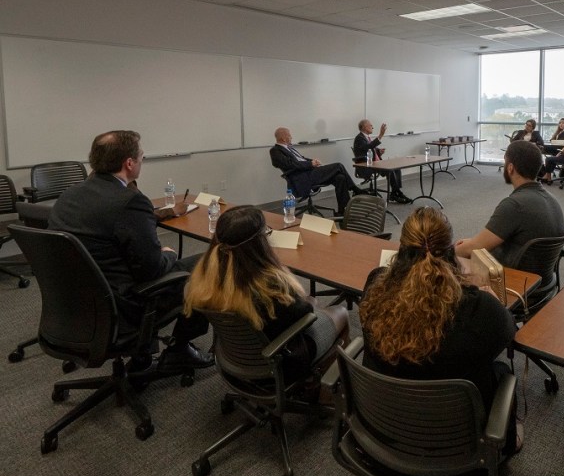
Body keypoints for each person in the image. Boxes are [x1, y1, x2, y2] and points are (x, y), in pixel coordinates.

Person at [359, 207, 520, 455]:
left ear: (401, 251)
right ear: (450, 254)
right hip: (455, 450)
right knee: (501, 372)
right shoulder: (479, 309)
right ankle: (508, 444)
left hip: (384, 436)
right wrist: (488, 298)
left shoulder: (375, 286)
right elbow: (508, 330)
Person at [48, 130, 213, 371]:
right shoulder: (129, 202)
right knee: (210, 264)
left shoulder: (69, 196)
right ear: (129, 163)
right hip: (124, 303)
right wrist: (167, 253)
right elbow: (152, 271)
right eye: (141, 157)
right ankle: (179, 349)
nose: (141, 161)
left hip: (78, 303)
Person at [184, 205, 348, 385]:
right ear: (258, 243)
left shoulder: (206, 276)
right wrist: (310, 302)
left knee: (313, 303)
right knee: (340, 312)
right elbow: (304, 312)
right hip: (281, 360)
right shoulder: (269, 286)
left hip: (235, 361)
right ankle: (326, 389)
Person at [455, 140, 564, 267]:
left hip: (513, 276)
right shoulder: (551, 199)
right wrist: (472, 242)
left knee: (452, 261)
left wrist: (446, 252)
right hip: (540, 277)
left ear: (510, 168)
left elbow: (473, 249)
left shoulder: (515, 205)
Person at [270, 127, 365, 215]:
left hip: (309, 173)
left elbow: (301, 159)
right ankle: (355, 189)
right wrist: (311, 164)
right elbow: (291, 165)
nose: (291, 137)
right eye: (289, 135)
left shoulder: (289, 148)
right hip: (302, 178)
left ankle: (343, 211)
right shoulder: (275, 151)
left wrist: (312, 161)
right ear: (283, 138)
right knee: (338, 166)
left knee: (340, 178)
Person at [352, 119, 411, 204]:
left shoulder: (366, 137)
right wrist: (380, 135)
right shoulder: (359, 138)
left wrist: (378, 151)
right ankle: (396, 194)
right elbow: (368, 147)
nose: (372, 127)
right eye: (370, 125)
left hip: (375, 164)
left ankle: (396, 192)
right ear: (365, 127)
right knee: (389, 169)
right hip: (366, 166)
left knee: (396, 168)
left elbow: (368, 148)